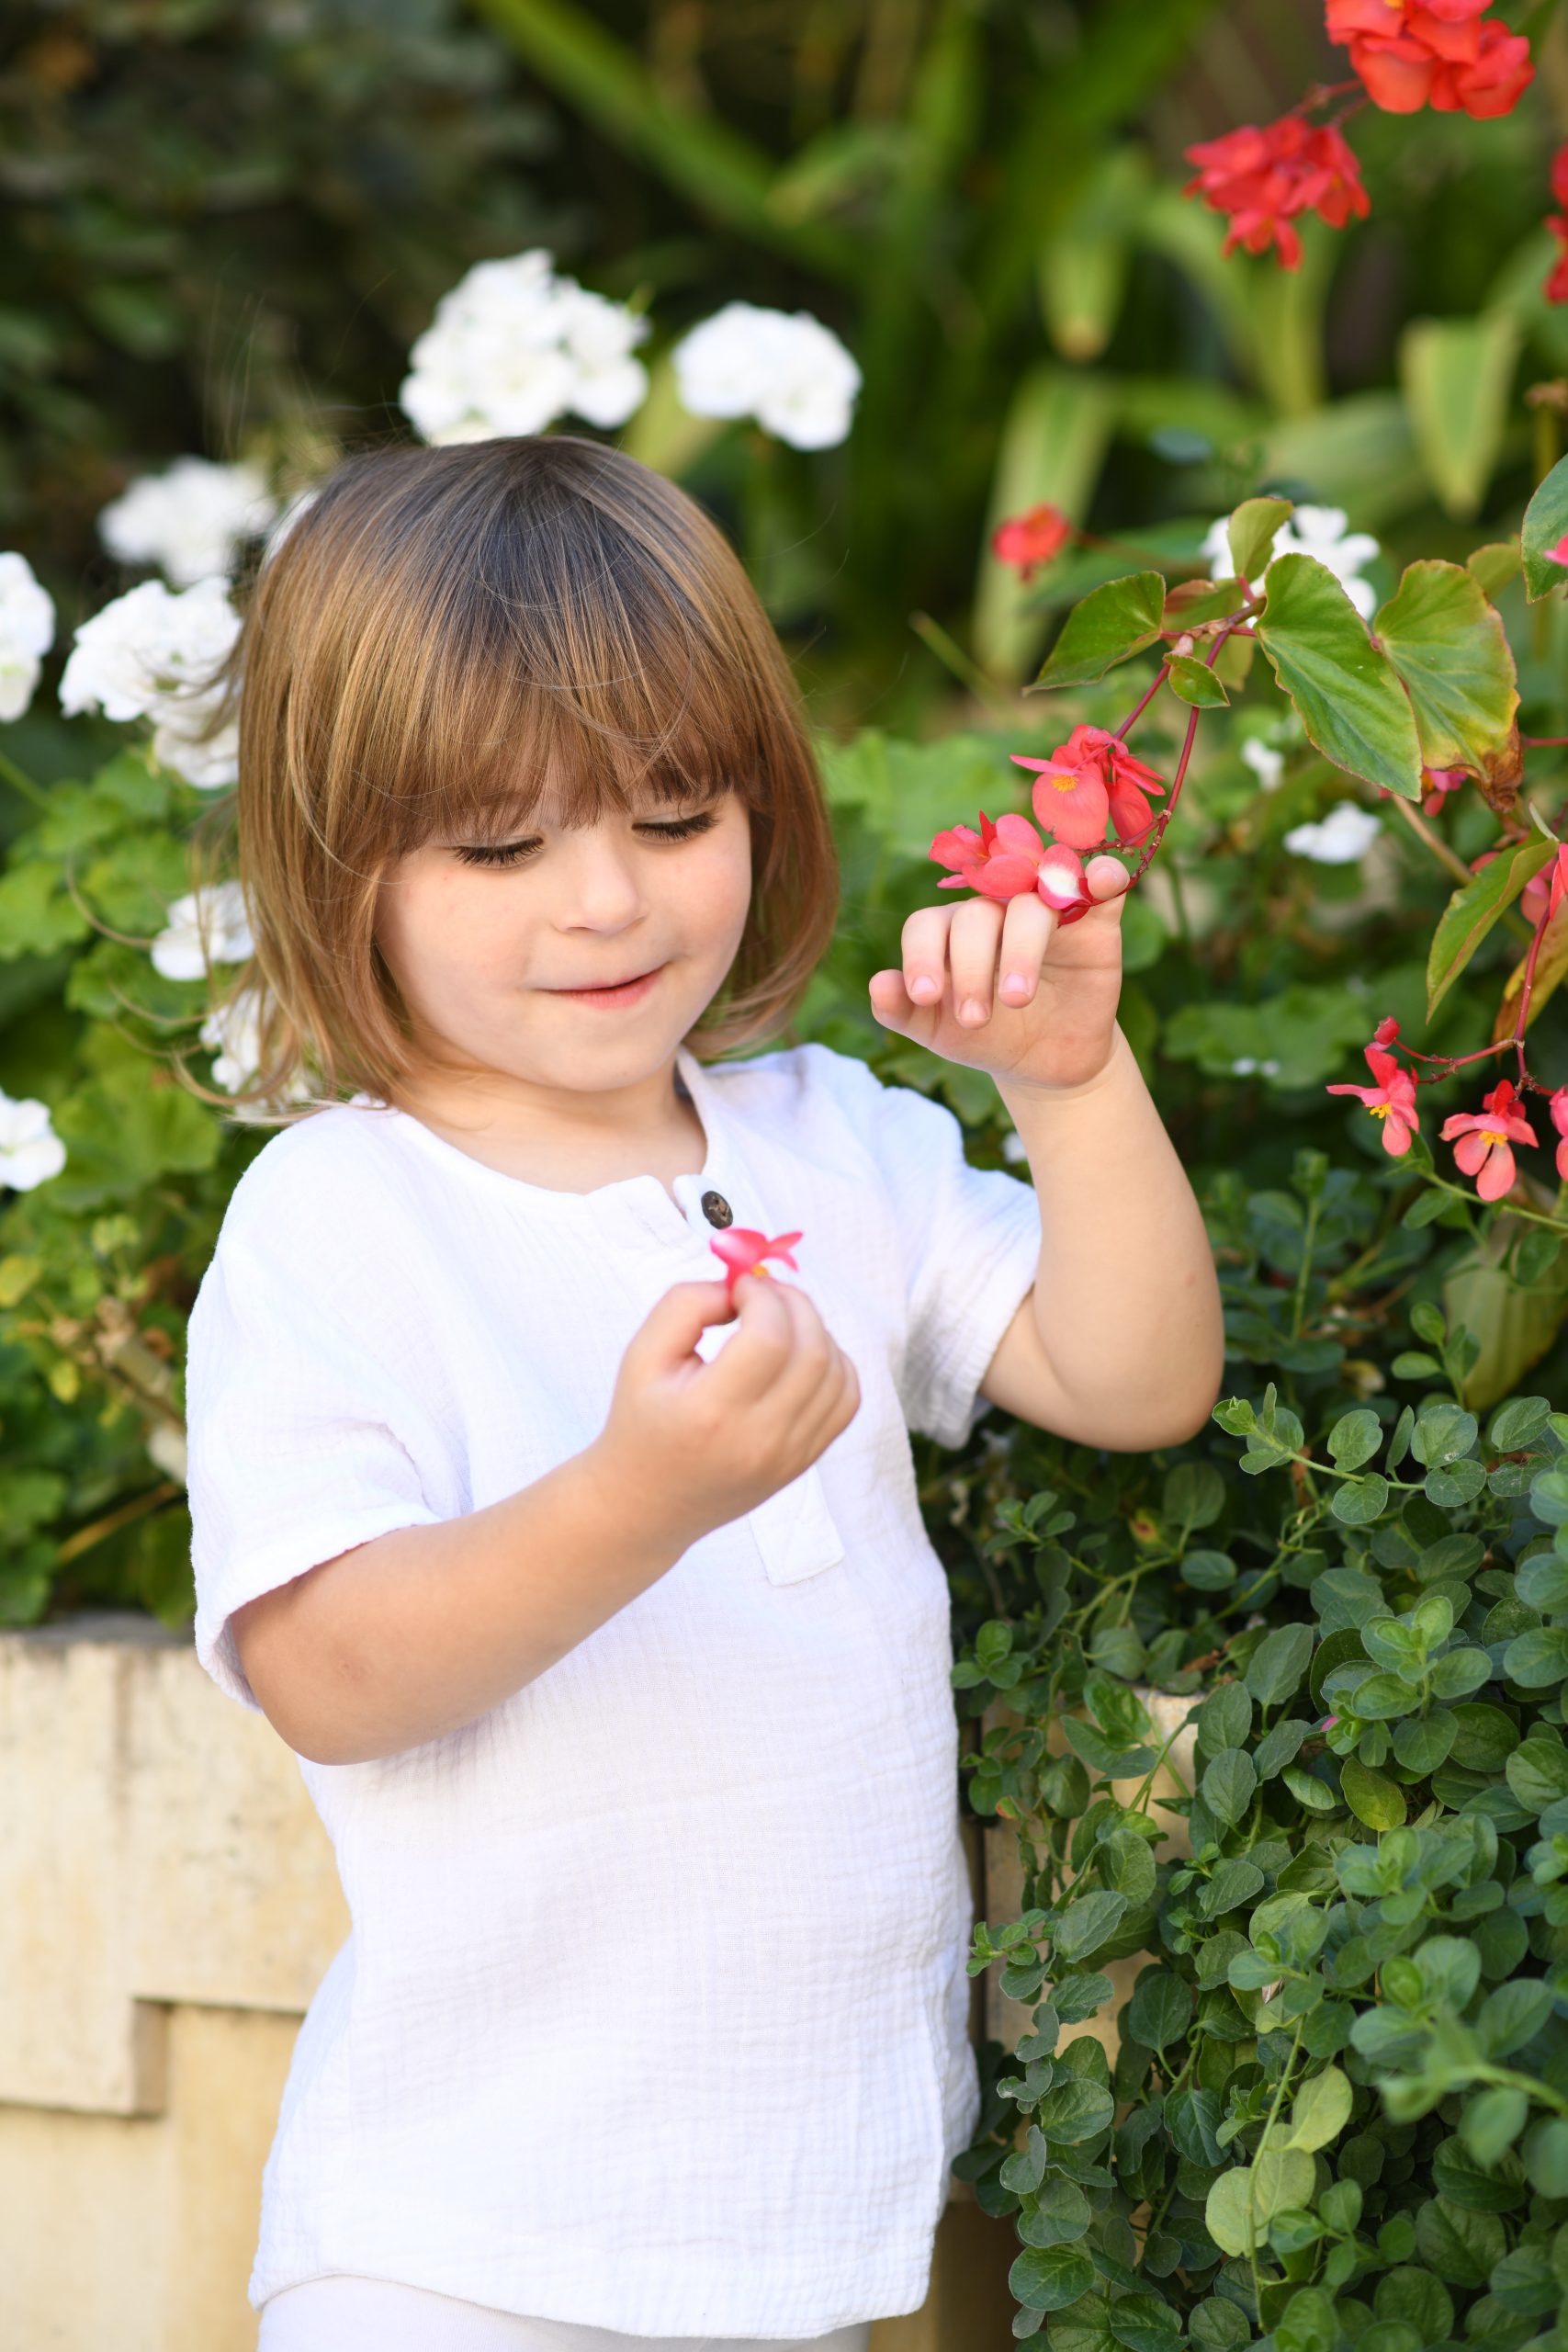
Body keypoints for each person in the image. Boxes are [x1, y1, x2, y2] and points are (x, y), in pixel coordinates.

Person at [182, 434, 1224, 2352]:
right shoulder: (345, 1216)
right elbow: (325, 1666)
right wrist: (632, 1496)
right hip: (459, 2239)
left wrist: (1069, 1085)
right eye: (500, 844)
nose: (606, 900)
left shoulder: (833, 1142)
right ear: (343, 865)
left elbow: (1132, 1375)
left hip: (790, 2231)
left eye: (672, 814)